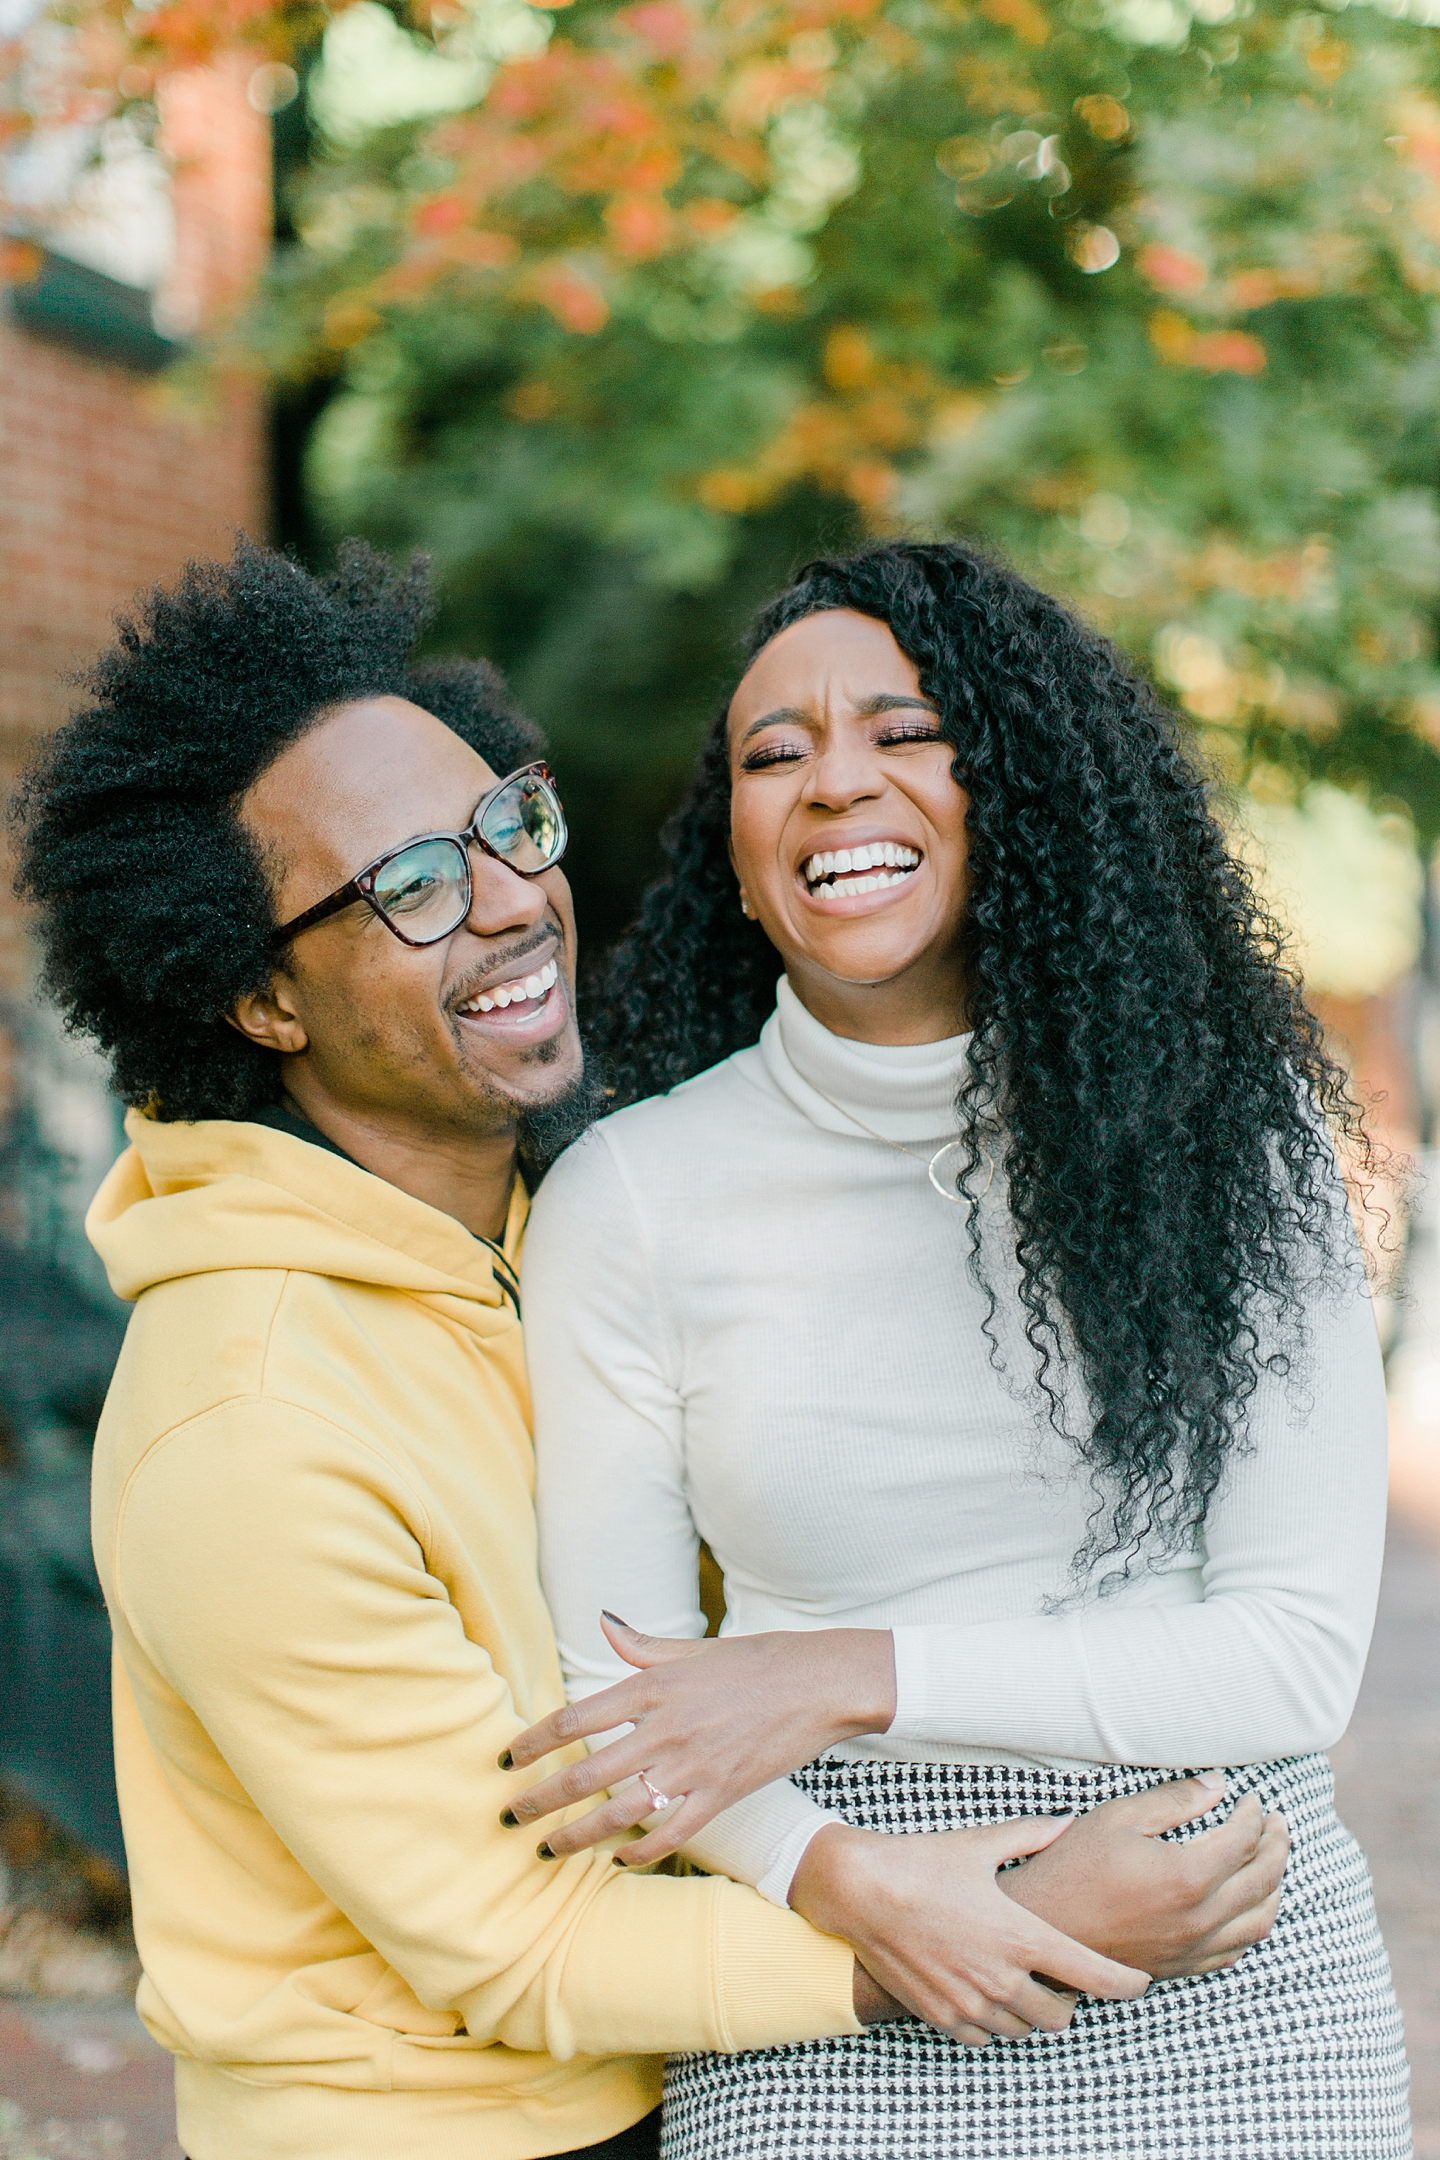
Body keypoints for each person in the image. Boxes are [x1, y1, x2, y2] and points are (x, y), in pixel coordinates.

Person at [9, 539, 1279, 2160]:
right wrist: (971, 1918)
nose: (509, 902)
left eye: (505, 827)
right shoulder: (248, 1424)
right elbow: (512, 1941)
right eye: (408, 888)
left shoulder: (550, 1236)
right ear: (262, 998)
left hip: (650, 2094)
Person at [512, 541, 1411, 2158]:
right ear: (732, 843)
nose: (832, 785)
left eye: (902, 733)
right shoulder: (629, 1197)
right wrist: (854, 1887)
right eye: (773, 756)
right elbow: (623, 1694)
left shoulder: (1232, 1139)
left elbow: (1291, 1655)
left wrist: (843, 1671)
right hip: (836, 1946)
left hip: (1221, 1929)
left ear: (1021, 788)